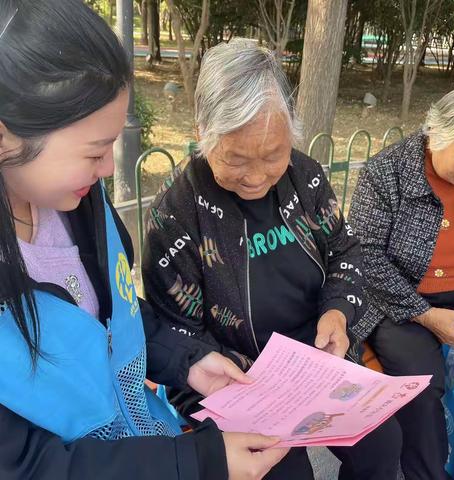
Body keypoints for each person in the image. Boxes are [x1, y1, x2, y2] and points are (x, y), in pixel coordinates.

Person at [0, 2, 290, 479]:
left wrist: (187, 361)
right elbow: (28, 467)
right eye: (95, 152)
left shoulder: (78, 202)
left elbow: (108, 315)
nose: (109, 170)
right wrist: (197, 462)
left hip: (151, 438)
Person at [142, 39, 402, 480]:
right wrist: (257, 386)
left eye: (273, 155)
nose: (258, 176)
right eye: (237, 159)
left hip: (319, 364)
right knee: (283, 473)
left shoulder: (305, 176)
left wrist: (338, 314)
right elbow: (178, 335)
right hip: (236, 381)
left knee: (384, 442)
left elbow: (345, 252)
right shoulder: (177, 217)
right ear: (204, 131)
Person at [349, 84, 454, 480]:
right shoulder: (386, 173)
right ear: (437, 135)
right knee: (422, 390)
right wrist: (424, 314)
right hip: (399, 302)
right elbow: (363, 256)